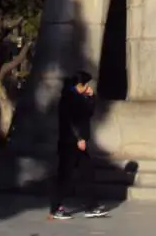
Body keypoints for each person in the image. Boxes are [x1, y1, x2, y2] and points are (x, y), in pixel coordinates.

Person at [49, 70, 107, 220]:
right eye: (85, 84)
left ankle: (91, 206)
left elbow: (88, 113)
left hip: (76, 143)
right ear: (79, 85)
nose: (87, 87)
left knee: (87, 173)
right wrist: (79, 137)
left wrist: (91, 97)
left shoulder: (78, 97)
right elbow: (71, 121)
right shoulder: (69, 98)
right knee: (65, 176)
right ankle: (56, 208)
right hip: (70, 143)